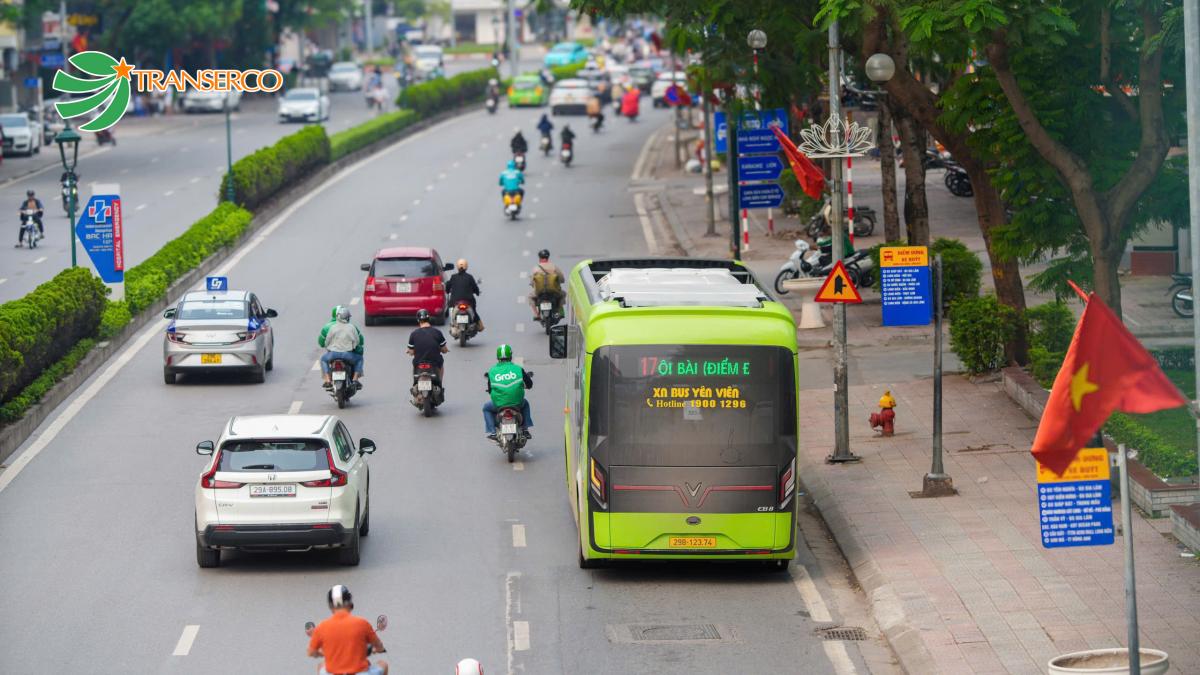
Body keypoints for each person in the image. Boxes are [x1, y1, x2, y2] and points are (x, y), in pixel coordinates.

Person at [307, 585, 388, 675]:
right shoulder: (362, 623)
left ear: (330, 606)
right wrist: (378, 649)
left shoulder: (322, 626)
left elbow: (311, 652)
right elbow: (378, 645)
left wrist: (323, 654)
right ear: (350, 603)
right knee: (383, 664)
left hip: (333, 673)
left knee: (321, 666)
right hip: (360, 672)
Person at [483, 344, 533, 440]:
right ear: (510, 356)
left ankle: (493, 432)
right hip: (517, 403)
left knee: (486, 408)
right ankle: (525, 429)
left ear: (497, 357)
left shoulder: (492, 371)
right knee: (525, 403)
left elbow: (490, 389)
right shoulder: (518, 369)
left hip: (499, 404)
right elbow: (529, 384)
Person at [318, 306, 365, 390]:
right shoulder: (352, 327)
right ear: (348, 318)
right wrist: (353, 346)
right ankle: (355, 380)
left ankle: (328, 380)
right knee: (360, 359)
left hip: (333, 354)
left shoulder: (332, 327)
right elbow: (357, 341)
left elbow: (326, 341)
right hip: (348, 355)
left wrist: (329, 346)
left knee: (323, 359)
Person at [407, 308, 448, 383]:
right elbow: (444, 350)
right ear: (428, 318)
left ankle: (415, 382)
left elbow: (411, 352)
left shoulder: (414, 334)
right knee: (441, 364)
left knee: (414, 365)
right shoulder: (437, 332)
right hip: (434, 362)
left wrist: (410, 351)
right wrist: (443, 350)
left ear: (418, 320)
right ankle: (440, 383)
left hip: (419, 363)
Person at [444, 258, 484, 332]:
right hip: (468, 301)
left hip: (455, 302)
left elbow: (448, 287)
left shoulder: (453, 277)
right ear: (466, 266)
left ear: (457, 266)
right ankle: (480, 326)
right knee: (474, 311)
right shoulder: (470, 277)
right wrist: (477, 292)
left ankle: (453, 324)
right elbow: (475, 287)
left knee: (451, 309)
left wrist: (447, 290)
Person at [528, 249, 565, 320]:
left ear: (539, 258)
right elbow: (562, 279)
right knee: (563, 294)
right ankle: (560, 311)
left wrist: (533, 284)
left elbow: (532, 282)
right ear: (548, 257)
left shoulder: (536, 268)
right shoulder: (554, 267)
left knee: (530, 297)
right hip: (554, 292)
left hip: (539, 292)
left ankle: (536, 314)